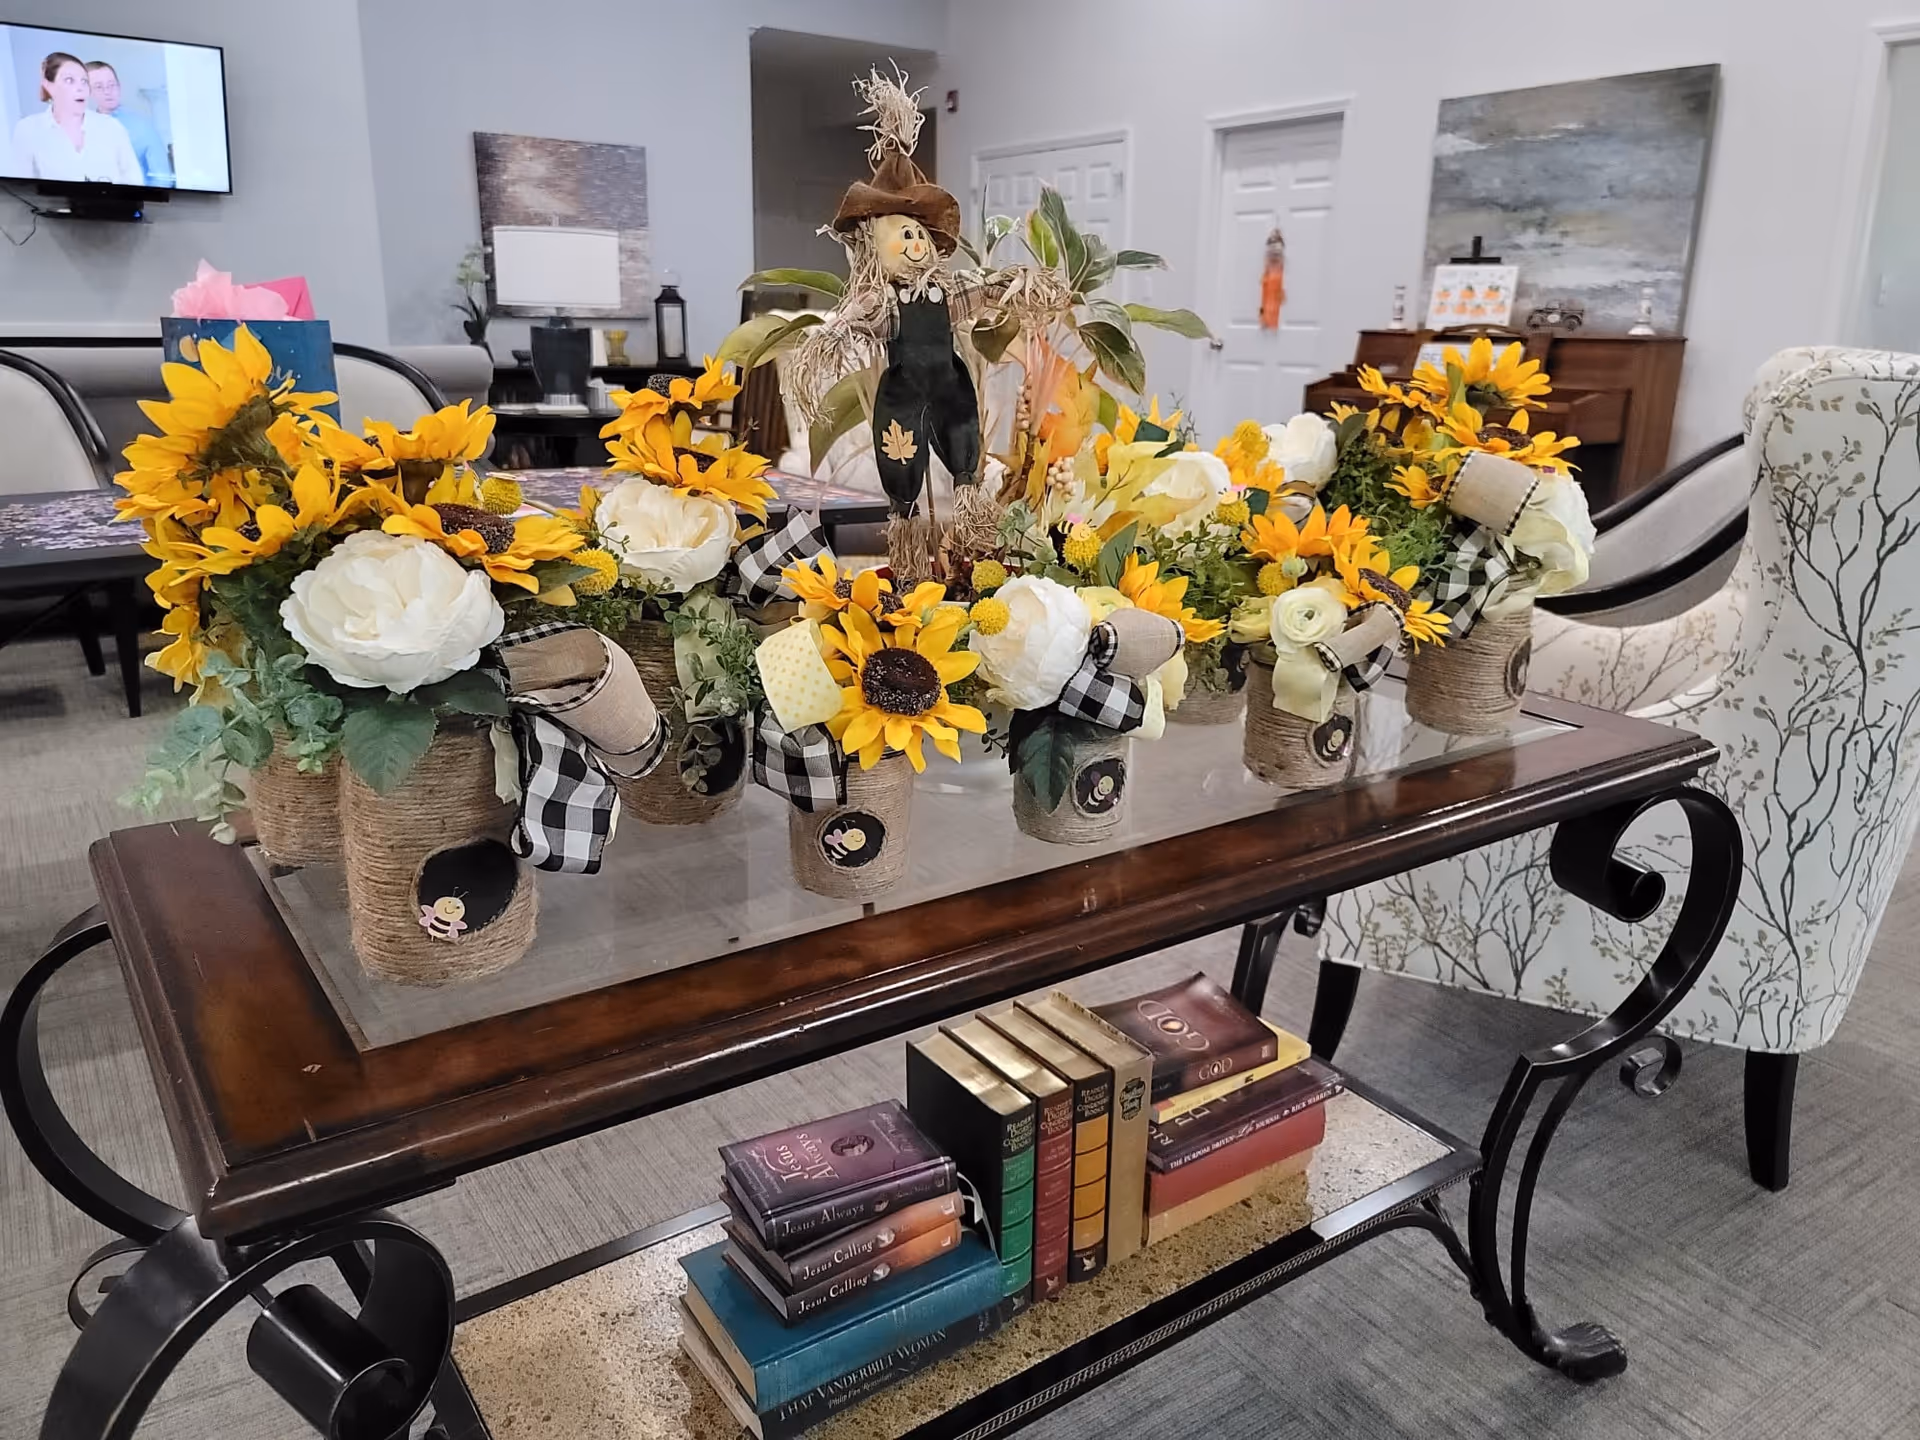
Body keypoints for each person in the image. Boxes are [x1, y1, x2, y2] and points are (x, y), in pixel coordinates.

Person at [8, 51, 142, 185]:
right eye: (69, 80)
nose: (80, 88)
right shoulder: (28, 129)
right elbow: (20, 191)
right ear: (48, 85)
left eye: (84, 81)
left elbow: (134, 181)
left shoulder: (111, 126)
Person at [86, 61, 172, 187]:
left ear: (119, 87)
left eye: (111, 85)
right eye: (99, 87)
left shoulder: (142, 126)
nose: (107, 91)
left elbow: (163, 178)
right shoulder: (80, 127)